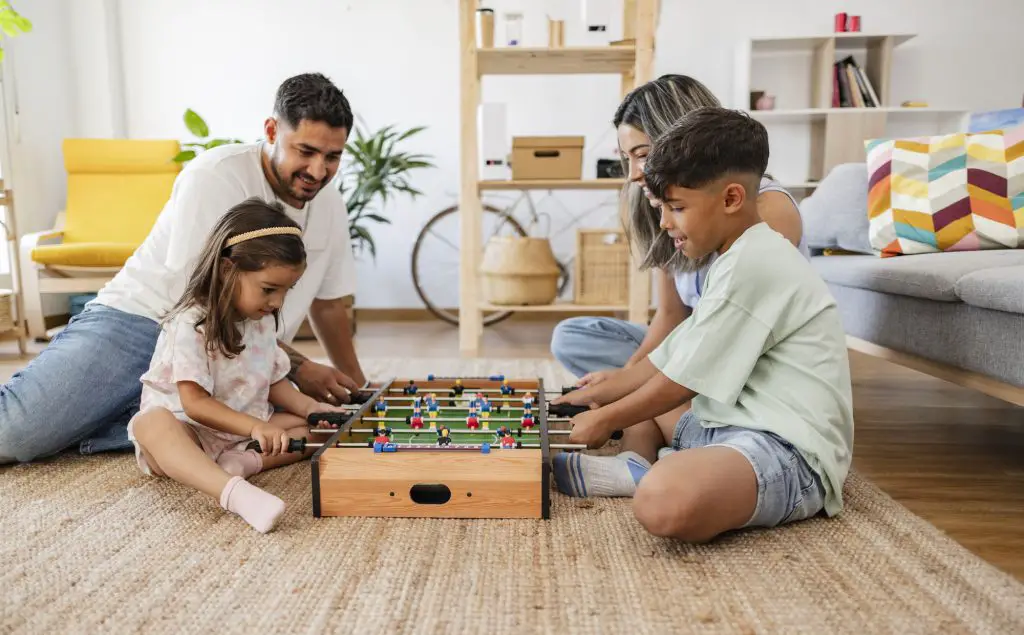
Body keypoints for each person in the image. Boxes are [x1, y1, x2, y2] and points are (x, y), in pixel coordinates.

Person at [0, 72, 366, 465]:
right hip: (141, 322)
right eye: (305, 151)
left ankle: (114, 419)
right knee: (14, 436)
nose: (317, 170)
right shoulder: (215, 175)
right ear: (272, 130)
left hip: (235, 353)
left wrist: (358, 392)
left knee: (284, 423)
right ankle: (103, 417)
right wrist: (301, 365)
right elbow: (204, 299)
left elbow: (329, 304)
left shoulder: (330, 206)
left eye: (332, 157)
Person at [551, 108, 854, 543]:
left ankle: (654, 474)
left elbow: (683, 381)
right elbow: (670, 359)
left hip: (787, 449)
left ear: (731, 199)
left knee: (663, 500)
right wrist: (593, 395)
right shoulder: (731, 258)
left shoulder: (757, 261)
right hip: (729, 420)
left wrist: (607, 419)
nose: (664, 223)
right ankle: (637, 464)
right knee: (644, 396)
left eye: (676, 207)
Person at [550, 74, 806, 379]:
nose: (632, 174)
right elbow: (672, 315)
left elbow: (726, 338)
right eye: (626, 158)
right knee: (573, 336)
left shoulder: (765, 209)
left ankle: (666, 413)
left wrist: (631, 388)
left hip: (747, 359)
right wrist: (629, 376)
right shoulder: (665, 207)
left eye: (642, 155)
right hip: (694, 345)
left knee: (649, 396)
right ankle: (658, 408)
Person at [127, 199, 348, 534]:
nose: (277, 303)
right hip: (192, 433)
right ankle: (234, 494)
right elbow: (195, 404)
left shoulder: (261, 321)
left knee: (318, 428)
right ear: (228, 269)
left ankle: (243, 464)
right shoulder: (190, 324)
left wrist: (313, 408)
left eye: (286, 291)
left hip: (240, 435)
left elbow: (274, 382)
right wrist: (254, 429)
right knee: (150, 424)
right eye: (269, 289)